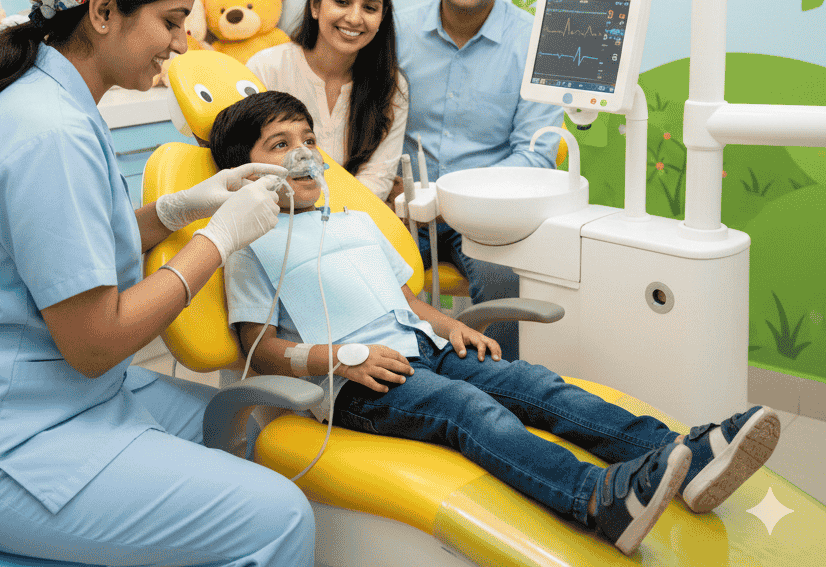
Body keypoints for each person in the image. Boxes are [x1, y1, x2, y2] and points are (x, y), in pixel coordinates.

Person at [0, 0, 315, 567]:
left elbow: (76, 248)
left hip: (56, 393)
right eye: (170, 21)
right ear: (102, 11)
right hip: (2, 440)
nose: (183, 43)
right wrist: (218, 240)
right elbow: (96, 343)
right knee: (279, 517)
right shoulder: (49, 132)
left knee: (248, 428)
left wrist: (181, 209)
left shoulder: (57, 99)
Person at [214, 90, 781, 557]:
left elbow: (406, 301)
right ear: (246, 171)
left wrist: (451, 326)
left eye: (308, 139)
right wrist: (338, 359)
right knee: (469, 409)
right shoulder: (250, 244)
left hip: (426, 347)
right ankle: (596, 498)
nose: (303, 154)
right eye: (281, 144)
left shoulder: (353, 221)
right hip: (362, 383)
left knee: (537, 385)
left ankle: (684, 453)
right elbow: (259, 348)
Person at [395, 0, 565, 360]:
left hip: (487, 216)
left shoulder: (536, 44)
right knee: (357, 267)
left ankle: (502, 385)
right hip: (402, 205)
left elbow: (536, 155)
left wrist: (454, 200)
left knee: (505, 281)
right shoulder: (395, 33)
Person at [246, 0, 407, 202]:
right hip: (276, 214)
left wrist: (334, 214)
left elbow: (377, 179)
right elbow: (248, 166)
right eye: (342, 2)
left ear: (382, 16)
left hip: (356, 216)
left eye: (370, 8)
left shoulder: (392, 86)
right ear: (315, 4)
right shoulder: (265, 69)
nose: (354, 18)